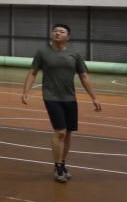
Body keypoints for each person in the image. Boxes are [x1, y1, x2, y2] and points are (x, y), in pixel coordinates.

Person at [21, 23, 102, 183]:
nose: (57, 33)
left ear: (68, 37)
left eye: (61, 31)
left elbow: (84, 76)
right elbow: (32, 72)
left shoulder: (75, 54)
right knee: (60, 132)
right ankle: (58, 167)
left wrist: (94, 97)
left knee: (68, 133)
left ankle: (62, 163)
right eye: (55, 31)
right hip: (51, 96)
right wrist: (26, 91)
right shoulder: (42, 52)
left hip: (70, 98)